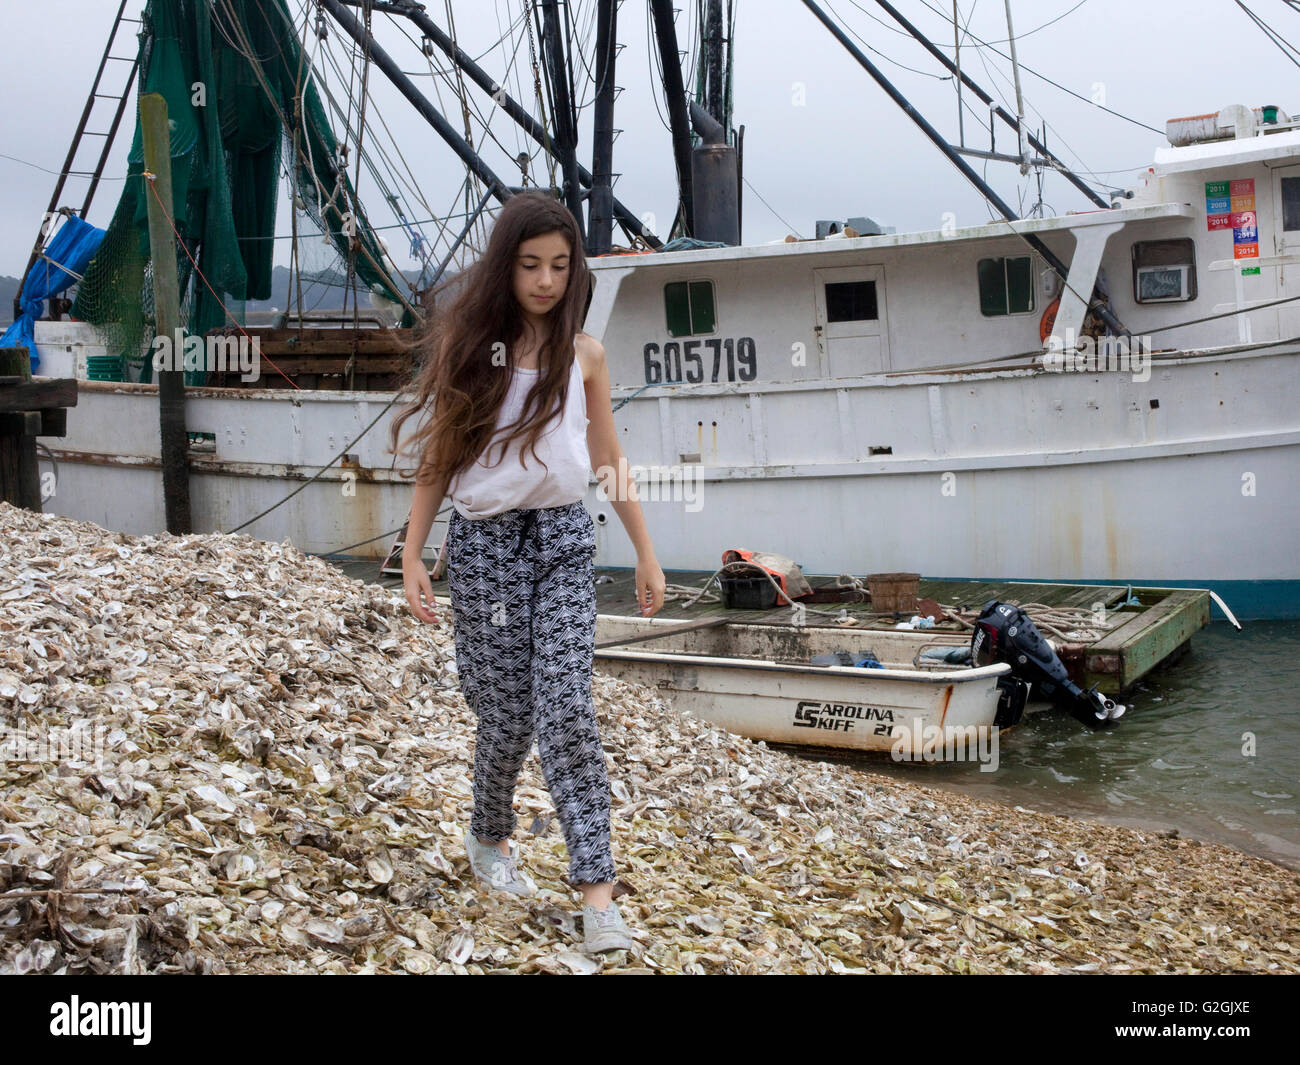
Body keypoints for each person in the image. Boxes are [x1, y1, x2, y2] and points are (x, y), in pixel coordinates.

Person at [390, 191, 666, 954]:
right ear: (505, 266)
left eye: (559, 264)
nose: (546, 280)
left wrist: (645, 549)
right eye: (529, 264)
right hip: (484, 547)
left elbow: (607, 457)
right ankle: (490, 833)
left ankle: (597, 894)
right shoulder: (473, 348)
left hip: (564, 540)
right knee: (506, 716)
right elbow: (440, 456)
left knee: (568, 707)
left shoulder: (586, 355)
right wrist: (414, 554)